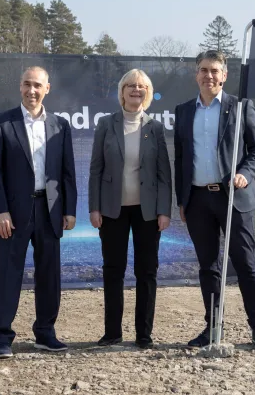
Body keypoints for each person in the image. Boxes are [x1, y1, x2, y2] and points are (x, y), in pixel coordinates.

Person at [173, 50, 255, 352]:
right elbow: (180, 158)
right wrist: (183, 199)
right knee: (208, 267)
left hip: (234, 199)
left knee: (245, 265)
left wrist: (244, 172)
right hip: (198, 200)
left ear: (224, 75)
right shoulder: (184, 111)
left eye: (215, 70)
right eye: (204, 70)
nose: (209, 76)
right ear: (196, 74)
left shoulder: (241, 108)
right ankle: (213, 326)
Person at [0, 66, 78, 358]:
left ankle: (45, 333)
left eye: (37, 85)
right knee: (9, 274)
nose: (31, 90)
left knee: (49, 275)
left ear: (47, 88)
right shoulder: (1, 123)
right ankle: (2, 337)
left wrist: (70, 210)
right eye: (27, 84)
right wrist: (0, 211)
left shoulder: (60, 126)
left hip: (49, 211)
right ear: (20, 86)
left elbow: (67, 172)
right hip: (12, 213)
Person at [88, 69, 172, 349]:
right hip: (112, 210)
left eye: (142, 86)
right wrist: (94, 207)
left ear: (148, 92)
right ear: (122, 91)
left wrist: (164, 211)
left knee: (147, 272)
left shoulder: (155, 128)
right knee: (113, 270)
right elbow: (96, 169)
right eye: (131, 86)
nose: (136, 90)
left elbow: (163, 174)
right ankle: (112, 332)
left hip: (147, 212)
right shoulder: (105, 124)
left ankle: (143, 335)